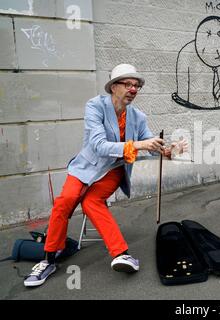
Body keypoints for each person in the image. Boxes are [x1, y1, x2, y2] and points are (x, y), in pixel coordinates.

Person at [24, 64, 187, 287]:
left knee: (92, 202)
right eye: (128, 84)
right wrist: (139, 144)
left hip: (113, 170)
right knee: (65, 202)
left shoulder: (138, 116)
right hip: (86, 166)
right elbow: (99, 146)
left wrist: (168, 151)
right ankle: (49, 260)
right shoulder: (95, 106)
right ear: (113, 86)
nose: (133, 89)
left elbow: (149, 147)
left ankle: (122, 254)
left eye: (136, 85)